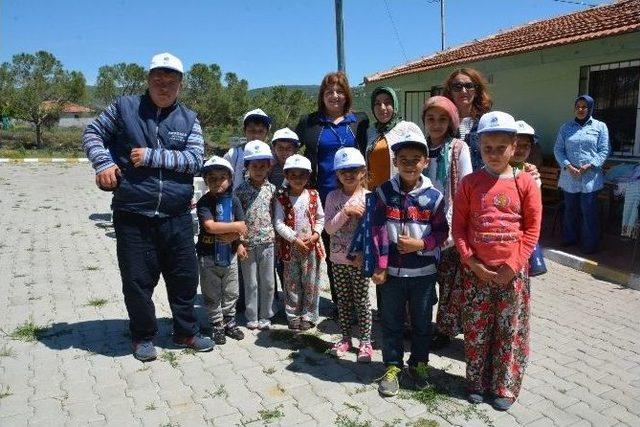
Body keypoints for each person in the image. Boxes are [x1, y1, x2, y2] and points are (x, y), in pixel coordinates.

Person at [82, 52, 214, 360]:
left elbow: (195, 161)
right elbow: (91, 133)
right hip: (133, 213)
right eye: (158, 79)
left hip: (177, 215)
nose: (164, 86)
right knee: (137, 280)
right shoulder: (124, 108)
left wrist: (154, 156)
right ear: (148, 80)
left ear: (180, 85)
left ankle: (185, 332)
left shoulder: (189, 119)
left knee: (184, 277)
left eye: (171, 81)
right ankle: (142, 335)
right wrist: (102, 163)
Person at [452, 111, 541, 411]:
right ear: (479, 147)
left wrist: (512, 267)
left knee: (509, 331)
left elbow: (531, 230)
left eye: (500, 147)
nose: (493, 154)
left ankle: (504, 385)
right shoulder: (469, 183)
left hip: (511, 276)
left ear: (513, 147)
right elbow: (460, 228)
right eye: (487, 148)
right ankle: (476, 382)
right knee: (477, 329)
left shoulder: (526, 183)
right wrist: (471, 262)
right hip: (476, 273)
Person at [370, 128, 448, 397]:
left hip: (423, 274)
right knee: (390, 322)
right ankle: (393, 366)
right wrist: (379, 265)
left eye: (416, 159)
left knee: (422, 324)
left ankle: (418, 364)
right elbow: (377, 231)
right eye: (403, 158)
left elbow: (442, 232)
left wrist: (421, 245)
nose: (410, 164)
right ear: (395, 161)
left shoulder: (434, 197)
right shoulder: (383, 193)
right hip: (390, 273)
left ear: (425, 162)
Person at [295, 72, 369, 306]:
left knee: (357, 250)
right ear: (322, 96)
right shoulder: (309, 122)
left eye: (339, 91)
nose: (334, 96)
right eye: (329, 92)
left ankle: (360, 303)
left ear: (346, 94)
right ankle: (341, 304)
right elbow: (289, 152)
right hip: (321, 197)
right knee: (333, 253)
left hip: (354, 196)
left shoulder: (360, 121)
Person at [420, 96, 472, 351]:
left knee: (450, 282)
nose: (436, 124)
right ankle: (419, 323)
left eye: (442, 119)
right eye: (431, 118)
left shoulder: (459, 148)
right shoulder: (419, 148)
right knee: (425, 278)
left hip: (449, 224)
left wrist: (454, 227)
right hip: (421, 225)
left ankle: (444, 329)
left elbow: (466, 188)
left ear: (451, 121)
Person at [324, 147, 373, 363]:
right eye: (343, 170)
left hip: (359, 262)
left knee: (362, 302)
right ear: (337, 174)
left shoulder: (369, 197)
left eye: (354, 169)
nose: (349, 174)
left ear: (363, 171)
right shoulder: (332, 197)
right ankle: (345, 338)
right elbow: (329, 229)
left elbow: (373, 233)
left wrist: (367, 257)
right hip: (337, 260)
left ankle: (365, 341)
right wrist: (345, 212)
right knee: (343, 302)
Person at [196, 156, 247, 345]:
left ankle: (229, 321)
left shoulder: (234, 200)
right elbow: (210, 226)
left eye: (222, 177)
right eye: (212, 178)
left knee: (231, 291)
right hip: (208, 257)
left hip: (230, 255)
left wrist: (237, 240)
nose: (218, 182)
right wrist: (235, 229)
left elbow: (243, 227)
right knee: (212, 293)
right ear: (206, 181)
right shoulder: (204, 202)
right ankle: (217, 324)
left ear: (230, 179)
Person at [274, 154, 325, 331]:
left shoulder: (313, 195)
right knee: (292, 283)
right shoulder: (282, 199)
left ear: (308, 176)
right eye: (293, 175)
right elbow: (278, 223)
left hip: (311, 247)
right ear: (286, 176)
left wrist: (316, 234)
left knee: (311, 282)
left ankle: (309, 315)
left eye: (302, 175)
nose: (297, 179)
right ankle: (293, 314)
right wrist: (294, 239)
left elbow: (320, 218)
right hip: (291, 248)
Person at [554, 95, 610, 254]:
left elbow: (604, 150)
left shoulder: (600, 127)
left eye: (584, 107)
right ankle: (570, 238)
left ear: (590, 108)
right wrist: (567, 166)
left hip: (590, 178)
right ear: (574, 108)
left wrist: (590, 165)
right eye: (578, 106)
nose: (580, 109)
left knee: (588, 210)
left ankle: (590, 244)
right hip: (570, 176)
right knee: (570, 209)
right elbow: (558, 149)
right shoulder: (565, 128)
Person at [235, 140, 277, 330]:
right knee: (250, 282)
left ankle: (266, 315)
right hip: (247, 244)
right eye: (254, 166)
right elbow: (236, 218)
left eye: (262, 166)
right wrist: (239, 242)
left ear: (269, 167)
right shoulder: (240, 191)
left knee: (268, 282)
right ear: (247, 167)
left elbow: (276, 215)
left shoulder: (273, 190)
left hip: (268, 242)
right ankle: (251, 315)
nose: (258, 170)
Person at [366, 86, 423, 189]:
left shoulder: (408, 128)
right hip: (373, 195)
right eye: (377, 104)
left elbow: (422, 161)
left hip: (400, 194)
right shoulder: (370, 131)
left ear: (395, 105)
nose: (382, 108)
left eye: (387, 103)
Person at [442, 68, 493, 171]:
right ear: (450, 92)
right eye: (457, 87)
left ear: (477, 91)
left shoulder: (487, 124)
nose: (463, 91)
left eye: (469, 86)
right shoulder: (442, 124)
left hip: (480, 184)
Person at [225, 108, 272, 190]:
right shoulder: (233, 154)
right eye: (252, 131)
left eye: (261, 131)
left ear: (267, 132)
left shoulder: (270, 155)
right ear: (244, 130)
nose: (256, 135)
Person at [514, 121, 542, 186]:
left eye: (526, 145)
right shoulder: (494, 171)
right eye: (516, 144)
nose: (521, 149)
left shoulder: (532, 174)